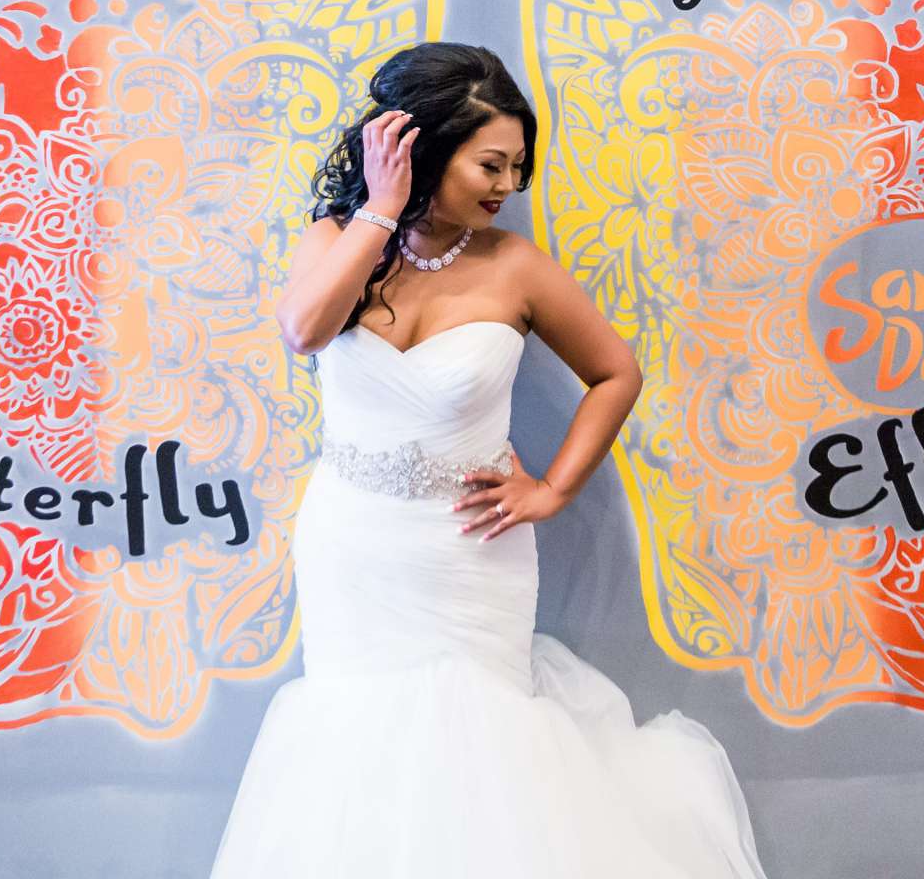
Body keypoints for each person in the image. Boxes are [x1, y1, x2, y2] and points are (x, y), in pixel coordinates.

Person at [209, 43, 768, 878]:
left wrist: (551, 488)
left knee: (480, 743)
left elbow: (617, 373)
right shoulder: (334, 239)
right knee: (356, 743)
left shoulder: (516, 268)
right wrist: (380, 211)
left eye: (517, 165)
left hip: (471, 551)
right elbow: (304, 331)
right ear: (424, 151)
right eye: (490, 164)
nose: (509, 185)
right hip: (354, 545)